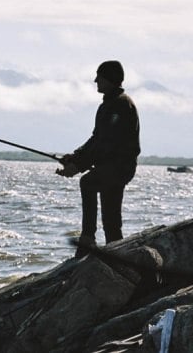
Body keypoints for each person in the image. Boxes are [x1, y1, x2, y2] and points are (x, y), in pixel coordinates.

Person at [56, 60, 140, 258]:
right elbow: (97, 139)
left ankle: (88, 240)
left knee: (89, 182)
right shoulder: (110, 104)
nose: (95, 80)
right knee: (111, 218)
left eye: (99, 77)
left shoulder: (120, 104)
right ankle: (116, 249)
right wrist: (75, 157)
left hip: (119, 167)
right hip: (113, 167)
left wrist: (78, 166)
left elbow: (106, 143)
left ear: (109, 79)